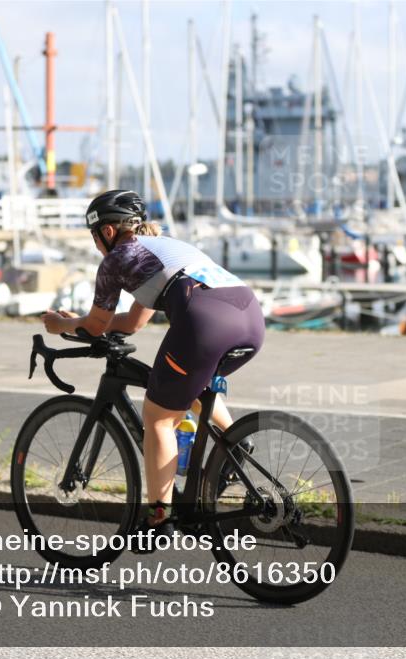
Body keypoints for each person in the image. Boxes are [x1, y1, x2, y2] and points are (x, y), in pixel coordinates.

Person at [40, 190, 264, 551]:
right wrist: (80, 322)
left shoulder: (117, 260)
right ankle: (234, 439)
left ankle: (159, 517)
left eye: (94, 236)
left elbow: (96, 326)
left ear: (108, 232)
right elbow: (130, 322)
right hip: (249, 317)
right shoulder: (164, 248)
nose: (96, 245)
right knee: (192, 381)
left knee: (159, 417)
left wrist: (61, 325)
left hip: (204, 321)